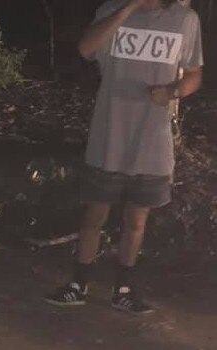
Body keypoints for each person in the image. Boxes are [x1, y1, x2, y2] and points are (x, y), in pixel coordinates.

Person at [44, 0, 203, 315]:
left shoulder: (184, 19)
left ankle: (123, 290)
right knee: (94, 216)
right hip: (109, 136)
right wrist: (129, 8)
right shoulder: (110, 11)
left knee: (136, 221)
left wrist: (173, 91)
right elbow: (85, 48)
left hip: (151, 141)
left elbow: (194, 75)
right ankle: (78, 284)